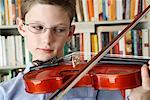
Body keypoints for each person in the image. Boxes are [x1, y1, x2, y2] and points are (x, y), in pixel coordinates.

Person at [0, 0, 123, 100]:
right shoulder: (4, 93)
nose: (47, 39)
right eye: (38, 27)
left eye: (59, 30)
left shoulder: (95, 84)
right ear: (21, 27)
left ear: (70, 33)